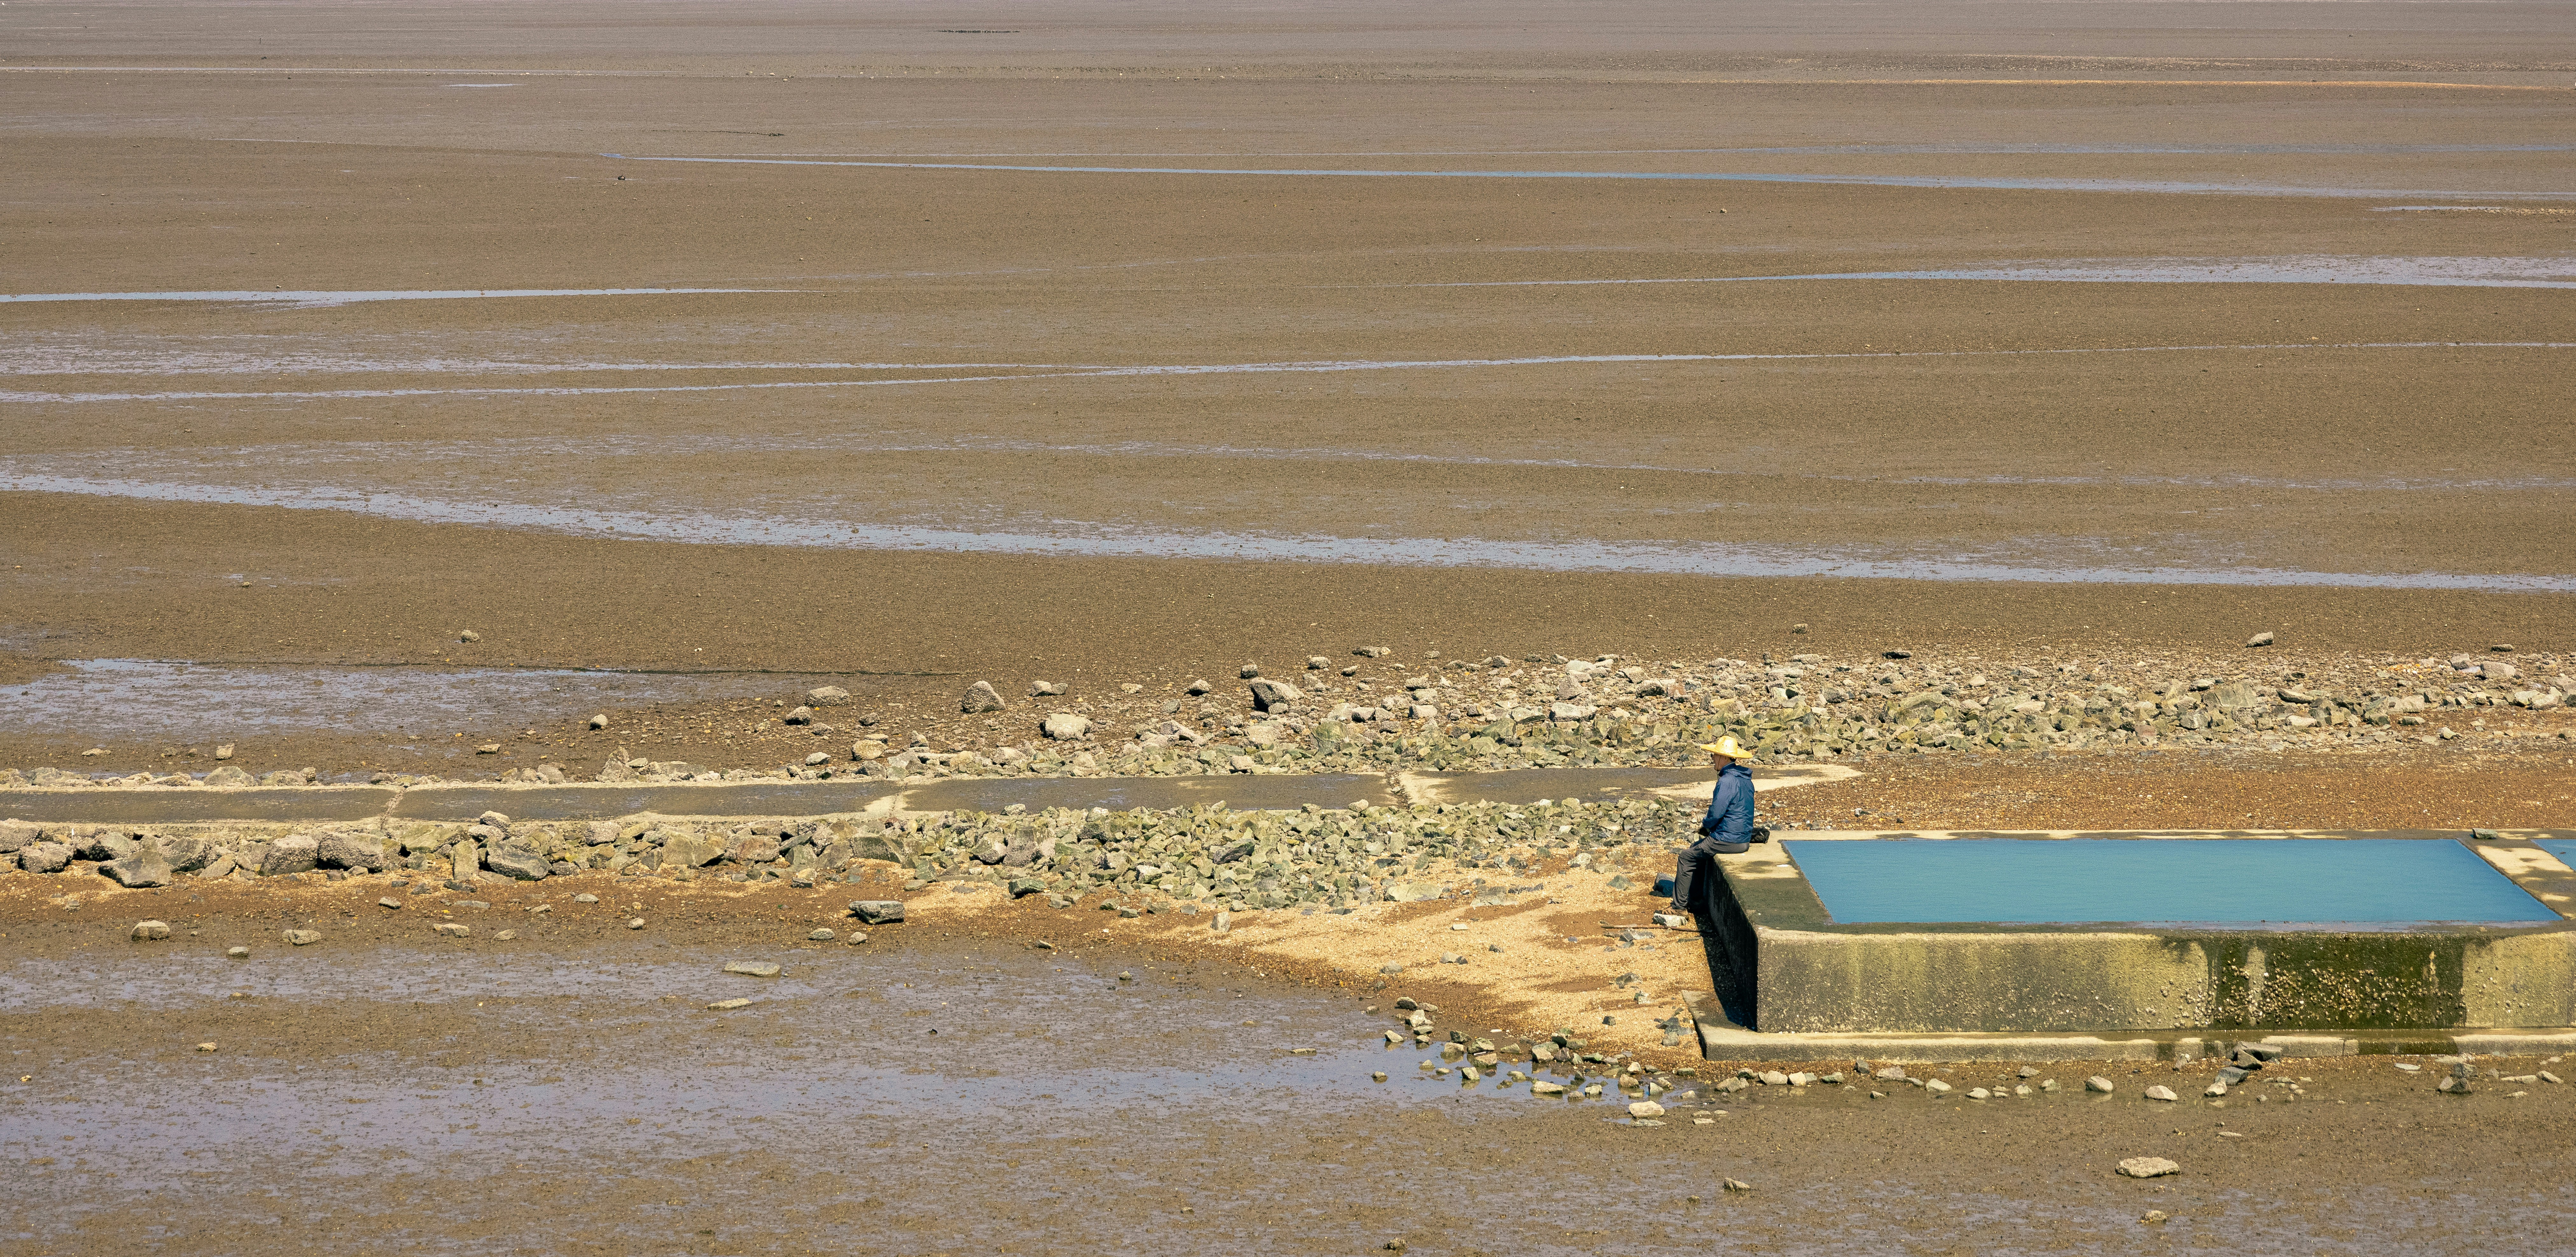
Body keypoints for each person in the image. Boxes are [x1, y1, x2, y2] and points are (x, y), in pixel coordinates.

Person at [1671, 735, 1755, 916]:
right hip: (1743, 839)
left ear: (1724, 758)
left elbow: (1716, 813)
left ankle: (1678, 908)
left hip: (1728, 840)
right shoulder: (1745, 779)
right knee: (1697, 851)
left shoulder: (1726, 781)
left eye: (1714, 756)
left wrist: (1706, 825)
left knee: (1686, 857)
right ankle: (1696, 902)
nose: (1712, 760)